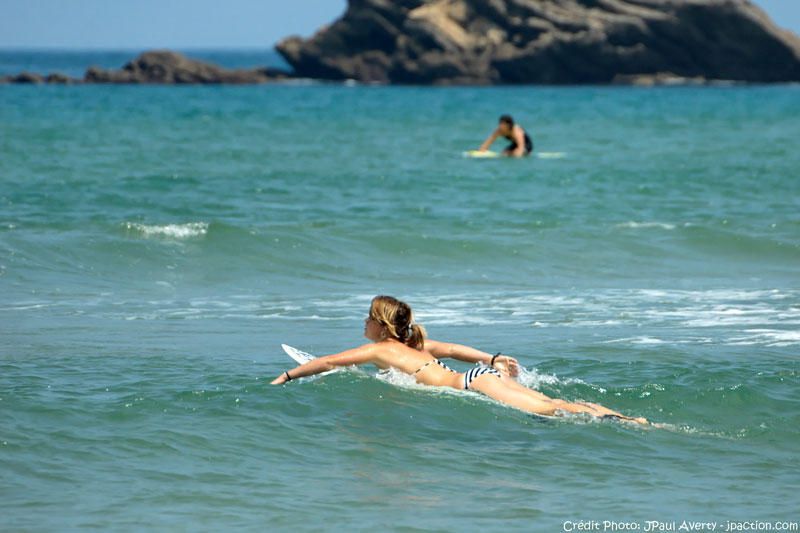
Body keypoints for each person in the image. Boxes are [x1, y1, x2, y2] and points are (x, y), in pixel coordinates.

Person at [271, 296, 649, 425]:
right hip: (477, 376)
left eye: (368, 317)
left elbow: (330, 361)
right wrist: (494, 357)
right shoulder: (415, 345)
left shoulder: (380, 350)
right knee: (548, 405)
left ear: (381, 325)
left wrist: (287, 376)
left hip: (474, 382)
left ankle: (621, 419)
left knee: (547, 411)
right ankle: (606, 411)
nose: (363, 322)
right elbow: (452, 348)